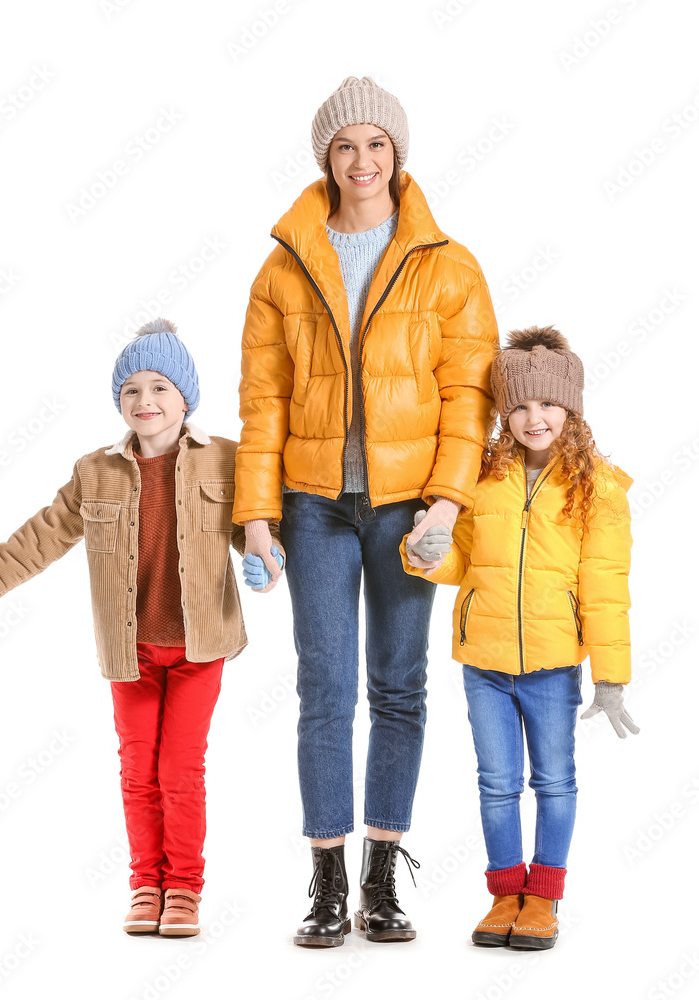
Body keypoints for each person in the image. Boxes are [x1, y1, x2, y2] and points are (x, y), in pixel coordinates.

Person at [234, 75, 499, 947]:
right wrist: (258, 518)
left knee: (399, 687)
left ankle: (383, 878)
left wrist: (449, 502)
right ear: (325, 158)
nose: (361, 161)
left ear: (398, 153)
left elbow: (468, 398)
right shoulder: (282, 266)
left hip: (406, 509)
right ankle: (325, 879)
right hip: (313, 506)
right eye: (344, 146)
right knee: (324, 689)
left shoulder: (449, 265)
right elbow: (263, 403)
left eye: (376, 144)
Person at [0, 319, 282, 937]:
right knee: (137, 770)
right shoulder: (96, 472)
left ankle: (185, 890)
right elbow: (36, 539)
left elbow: (259, 529)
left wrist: (264, 560)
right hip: (131, 652)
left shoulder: (226, 459)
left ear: (185, 398)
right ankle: (147, 883)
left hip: (201, 648)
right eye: (130, 391)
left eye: (159, 388)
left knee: (179, 769)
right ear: (119, 402)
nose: (145, 401)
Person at [402, 326, 638, 950]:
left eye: (549, 404)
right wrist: (423, 551)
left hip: (555, 666)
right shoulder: (479, 477)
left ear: (573, 409)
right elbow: (463, 562)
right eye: (521, 406)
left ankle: (545, 899)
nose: (536, 418)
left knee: (554, 780)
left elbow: (606, 586)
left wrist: (611, 676)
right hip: (484, 663)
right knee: (497, 781)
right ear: (504, 413)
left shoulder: (599, 489)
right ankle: (507, 894)